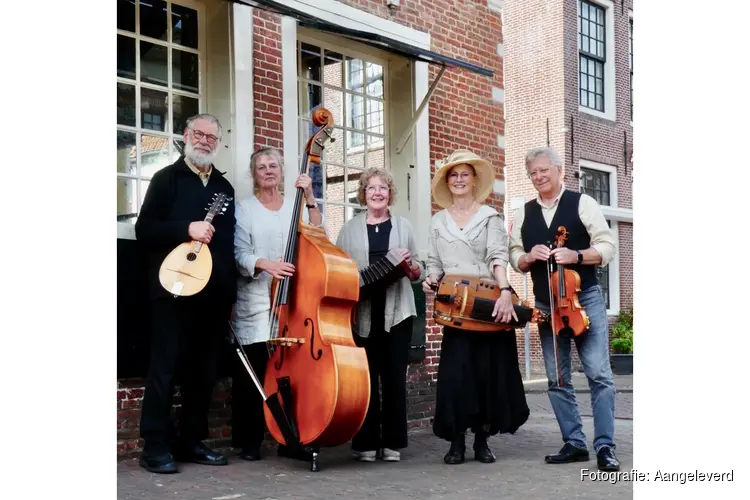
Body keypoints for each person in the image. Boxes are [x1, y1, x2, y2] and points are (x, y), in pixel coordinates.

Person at [508, 146, 620, 472]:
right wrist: (527, 258)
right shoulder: (524, 212)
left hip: (584, 299)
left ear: (558, 170)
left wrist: (578, 256)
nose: (539, 176)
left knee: (599, 375)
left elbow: (608, 246)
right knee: (557, 378)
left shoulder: (583, 203)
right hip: (547, 304)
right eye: (533, 173)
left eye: (544, 170)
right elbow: (515, 252)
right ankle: (574, 442)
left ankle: (605, 447)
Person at [136, 113, 236, 474]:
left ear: (218, 143)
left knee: (202, 372)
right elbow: (144, 229)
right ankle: (156, 447)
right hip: (172, 289)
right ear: (186, 135)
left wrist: (227, 291)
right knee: (164, 368)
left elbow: (227, 243)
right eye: (199, 134)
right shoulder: (166, 179)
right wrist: (186, 228)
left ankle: (191, 441)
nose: (205, 140)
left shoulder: (225, 189)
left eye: (212, 136)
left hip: (211, 296)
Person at [423, 149, 530, 465]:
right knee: (457, 376)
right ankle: (456, 442)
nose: (458, 180)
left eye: (464, 175)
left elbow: (497, 257)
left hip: (485, 303)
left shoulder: (490, 217)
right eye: (452, 175)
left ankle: (482, 442)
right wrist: (431, 278)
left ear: (473, 181)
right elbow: (434, 262)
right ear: (447, 181)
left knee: (486, 375)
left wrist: (506, 291)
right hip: (455, 307)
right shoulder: (437, 221)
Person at [231, 146, 323, 461]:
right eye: (261, 167)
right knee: (254, 373)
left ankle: (291, 437)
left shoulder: (295, 205)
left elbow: (318, 232)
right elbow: (239, 253)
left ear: (281, 171)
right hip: (257, 298)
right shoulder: (244, 209)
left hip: (293, 302)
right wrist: (267, 265)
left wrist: (309, 194)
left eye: (273, 165)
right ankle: (250, 441)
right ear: (253, 174)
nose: (268, 171)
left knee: (292, 374)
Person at [335, 167, 424, 463]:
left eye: (383, 188)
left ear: (390, 194)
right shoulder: (349, 229)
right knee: (366, 379)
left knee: (394, 378)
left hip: (397, 312)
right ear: (363, 193)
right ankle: (366, 443)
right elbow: (341, 268)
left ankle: (393, 443)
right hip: (362, 313)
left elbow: (417, 266)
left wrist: (414, 268)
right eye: (372, 188)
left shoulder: (402, 225)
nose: (377, 193)